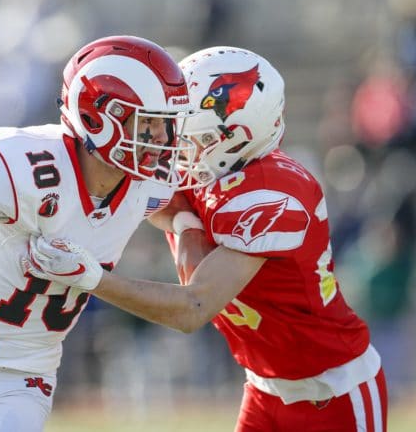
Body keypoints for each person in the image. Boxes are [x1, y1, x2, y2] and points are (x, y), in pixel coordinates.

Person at [22, 47, 388, 432]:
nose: (171, 142)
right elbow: (151, 197)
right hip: (264, 389)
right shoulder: (210, 169)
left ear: (234, 136)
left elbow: (192, 308)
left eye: (189, 131)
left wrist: (92, 278)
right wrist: (186, 222)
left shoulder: (273, 195)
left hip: (332, 394)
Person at [0, 35, 196, 432]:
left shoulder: (152, 185)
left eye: (166, 123)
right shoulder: (20, 168)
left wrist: (187, 226)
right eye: (148, 123)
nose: (163, 139)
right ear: (98, 118)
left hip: (23, 376)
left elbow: (172, 209)